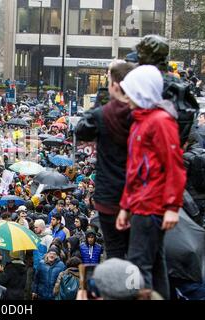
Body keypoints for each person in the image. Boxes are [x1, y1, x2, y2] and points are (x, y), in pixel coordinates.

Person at [116, 65, 187, 300]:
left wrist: (172, 207)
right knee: (155, 265)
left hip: (151, 205)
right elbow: (134, 170)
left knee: (138, 266)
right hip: (143, 204)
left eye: (130, 92)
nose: (126, 97)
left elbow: (174, 165)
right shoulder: (140, 121)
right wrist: (126, 206)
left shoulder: (159, 121)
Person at [75, 60, 135, 260]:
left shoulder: (103, 114)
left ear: (115, 85)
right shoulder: (144, 113)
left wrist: (98, 104)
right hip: (138, 194)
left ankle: (117, 289)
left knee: (115, 251)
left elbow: (81, 129)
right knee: (138, 252)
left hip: (110, 195)